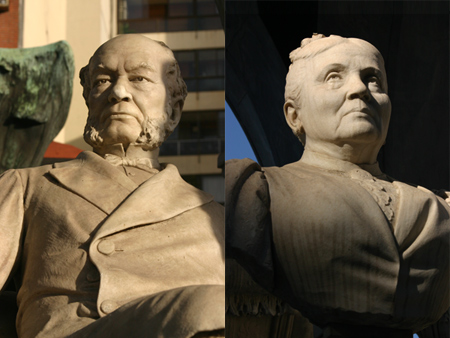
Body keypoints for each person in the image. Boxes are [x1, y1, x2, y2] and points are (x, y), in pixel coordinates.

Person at [0, 34, 225, 338]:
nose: (118, 92)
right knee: (209, 308)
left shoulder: (218, 217)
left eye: (139, 79)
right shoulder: (28, 185)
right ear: (89, 100)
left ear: (174, 109)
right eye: (103, 81)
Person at [226, 34, 450, 337]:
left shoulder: (441, 205)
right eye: (334, 77)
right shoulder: (251, 191)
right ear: (294, 115)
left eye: (373, 80)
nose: (359, 89)